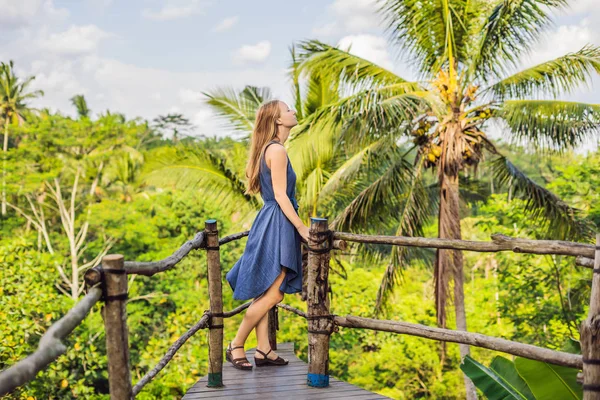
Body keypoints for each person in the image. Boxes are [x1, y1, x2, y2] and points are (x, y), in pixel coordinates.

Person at [224, 99, 310, 370]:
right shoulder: (277, 150)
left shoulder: (268, 149)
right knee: (275, 294)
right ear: (277, 120)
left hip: (270, 220)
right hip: (279, 223)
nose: (293, 111)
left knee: (265, 289)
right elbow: (282, 196)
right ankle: (237, 343)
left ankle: (263, 349)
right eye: (288, 110)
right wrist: (301, 227)